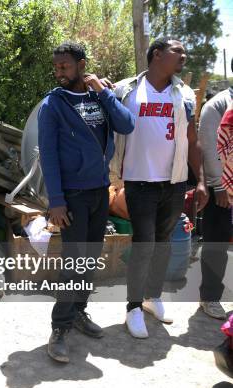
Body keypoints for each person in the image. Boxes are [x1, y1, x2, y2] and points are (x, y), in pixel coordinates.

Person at [38, 42, 135, 363]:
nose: (59, 72)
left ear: (81, 65)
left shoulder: (98, 96)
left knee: (90, 258)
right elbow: (48, 156)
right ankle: (60, 327)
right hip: (72, 197)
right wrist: (56, 201)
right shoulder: (53, 104)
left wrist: (104, 92)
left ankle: (79, 311)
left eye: (64, 66)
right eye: (56, 68)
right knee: (73, 262)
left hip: (99, 192)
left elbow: (126, 124)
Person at [110, 37, 209, 338]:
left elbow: (192, 139)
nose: (184, 55)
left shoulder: (185, 93)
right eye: (177, 51)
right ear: (156, 54)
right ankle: (133, 307)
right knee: (144, 243)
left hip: (175, 182)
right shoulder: (125, 90)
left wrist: (201, 180)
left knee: (164, 242)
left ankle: (153, 297)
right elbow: (109, 131)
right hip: (139, 181)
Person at [197, 70, 232, 320]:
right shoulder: (218, 104)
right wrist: (219, 185)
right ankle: (210, 297)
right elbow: (208, 147)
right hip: (222, 189)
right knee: (216, 245)